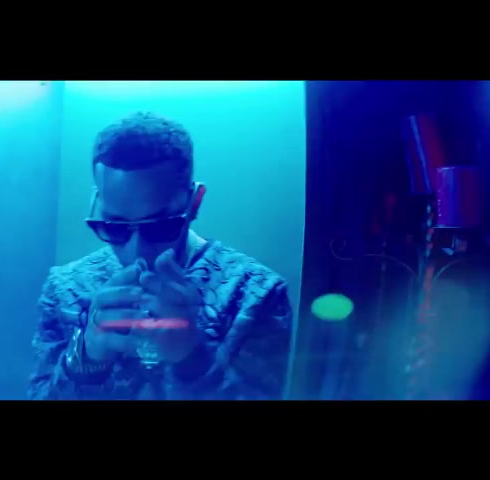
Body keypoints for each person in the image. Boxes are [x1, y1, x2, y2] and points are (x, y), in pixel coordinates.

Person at [28, 112, 293, 400]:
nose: (137, 253)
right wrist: (86, 356)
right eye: (115, 227)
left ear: (195, 201)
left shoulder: (255, 295)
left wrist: (193, 359)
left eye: (160, 226)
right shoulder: (65, 288)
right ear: (98, 203)